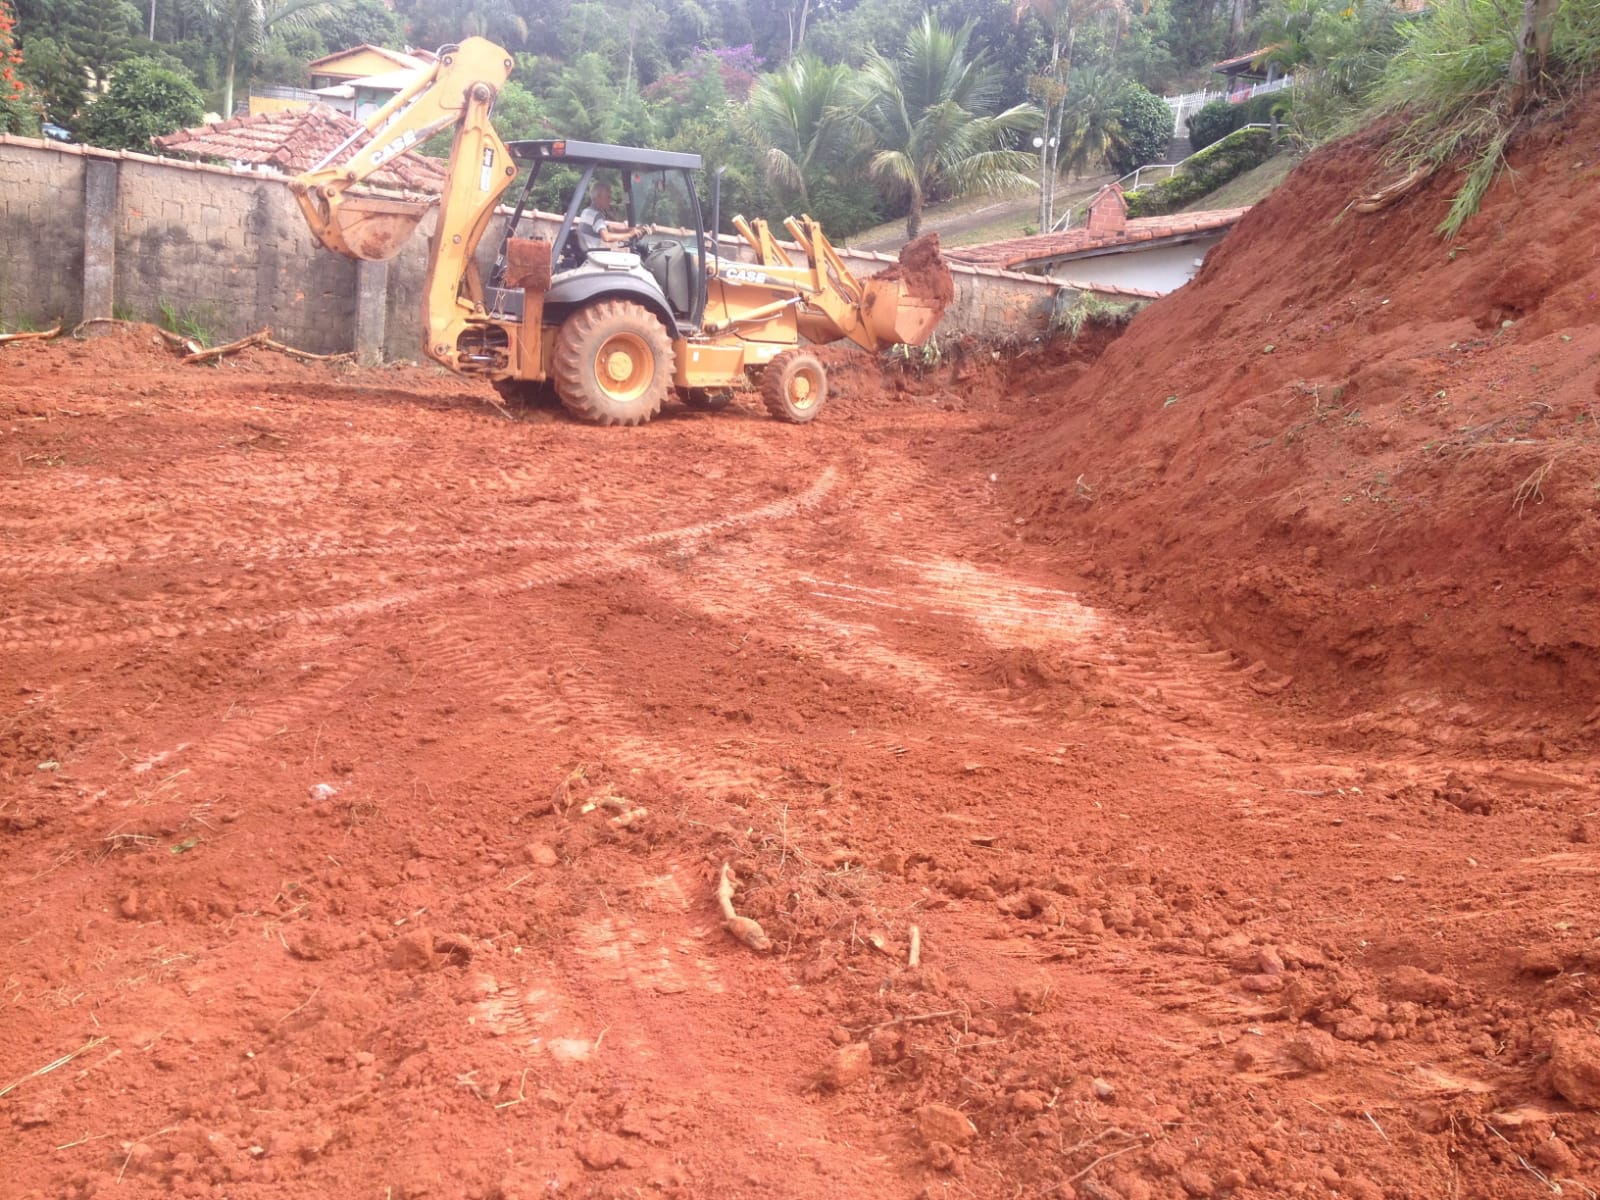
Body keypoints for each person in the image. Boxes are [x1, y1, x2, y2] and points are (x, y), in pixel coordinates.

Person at [576, 181, 652, 254]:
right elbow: (607, 237)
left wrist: (633, 230)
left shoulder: (587, 211)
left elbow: (609, 228)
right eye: (608, 197)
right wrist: (630, 234)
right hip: (591, 257)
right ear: (598, 197)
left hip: (585, 254)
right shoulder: (597, 215)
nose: (610, 200)